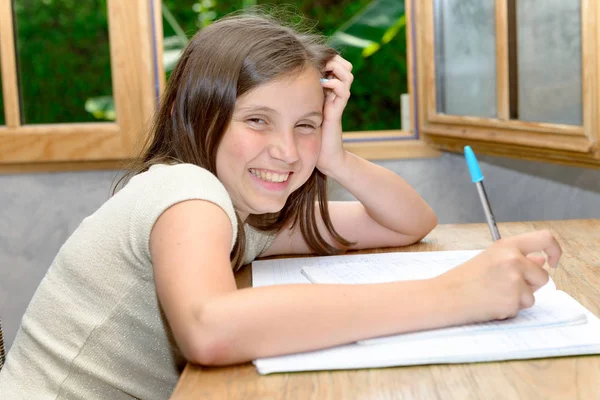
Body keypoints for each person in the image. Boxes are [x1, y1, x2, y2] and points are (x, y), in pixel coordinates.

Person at [0, 10, 561, 400]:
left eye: (306, 126)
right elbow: (211, 329)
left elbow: (408, 223)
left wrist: (335, 158)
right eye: (257, 121)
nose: (286, 151)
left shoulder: (245, 214)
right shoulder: (185, 195)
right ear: (194, 116)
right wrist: (453, 295)